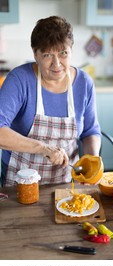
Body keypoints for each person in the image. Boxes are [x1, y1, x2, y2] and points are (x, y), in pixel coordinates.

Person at [0, 16, 101, 187]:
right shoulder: (19, 79)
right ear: (35, 54)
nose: (57, 64)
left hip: (66, 182)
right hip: (20, 183)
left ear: (71, 50)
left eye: (63, 53)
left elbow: (90, 131)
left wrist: (92, 165)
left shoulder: (84, 83)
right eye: (47, 55)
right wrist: (43, 148)